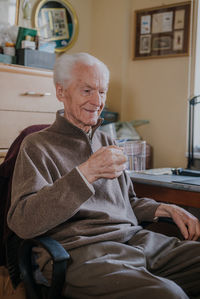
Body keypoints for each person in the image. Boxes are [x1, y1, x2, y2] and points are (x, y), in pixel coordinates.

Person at [7, 52, 200, 299]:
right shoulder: (36, 145)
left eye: (102, 92)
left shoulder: (106, 140)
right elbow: (23, 221)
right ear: (61, 92)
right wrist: (86, 173)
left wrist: (165, 209)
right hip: (82, 251)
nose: (98, 101)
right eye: (87, 91)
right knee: (168, 295)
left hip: (133, 240)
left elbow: (127, 202)